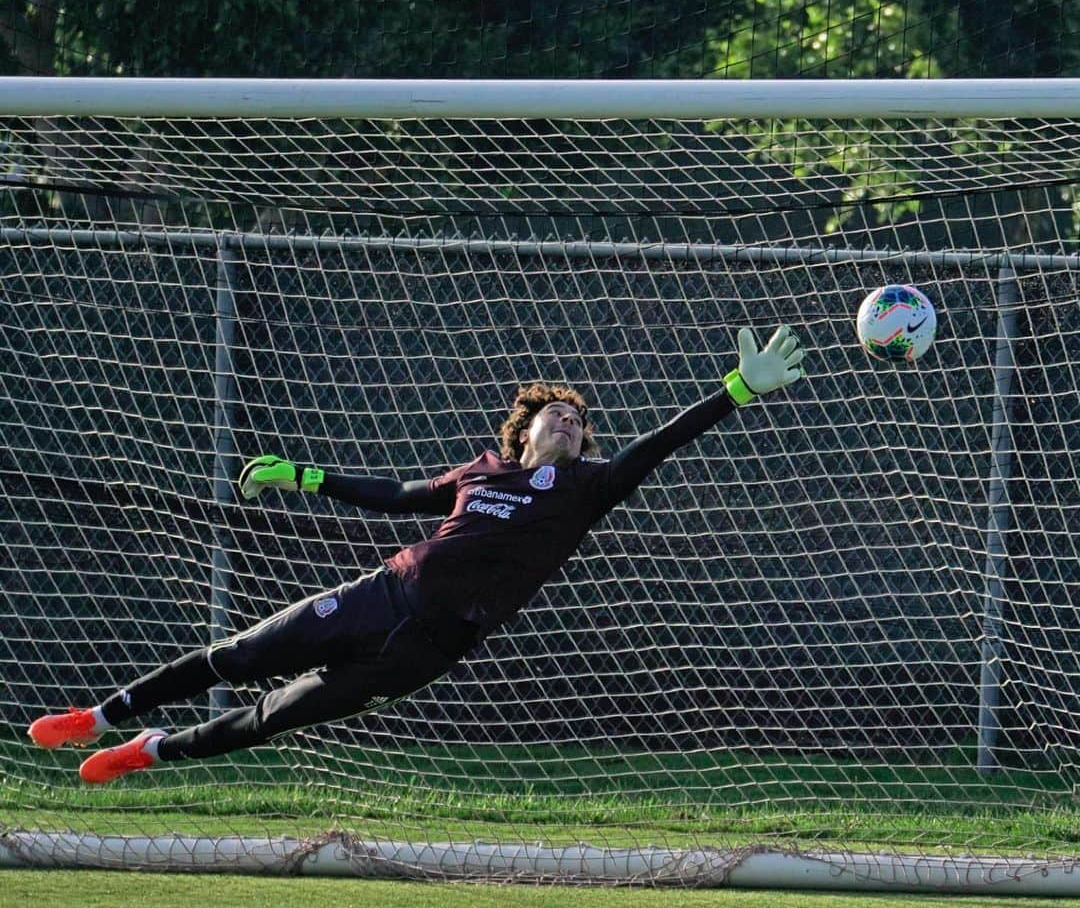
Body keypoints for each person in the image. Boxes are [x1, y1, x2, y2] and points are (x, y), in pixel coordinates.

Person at [29, 325, 806, 783]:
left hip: (429, 647)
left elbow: (658, 446)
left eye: (577, 419)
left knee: (276, 715)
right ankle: (97, 716)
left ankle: (149, 751)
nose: (569, 422)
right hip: (380, 594)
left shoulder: (588, 488)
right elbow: (399, 496)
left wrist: (738, 389)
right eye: (556, 415)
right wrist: (305, 475)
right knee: (236, 654)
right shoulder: (479, 471)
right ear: (524, 429)